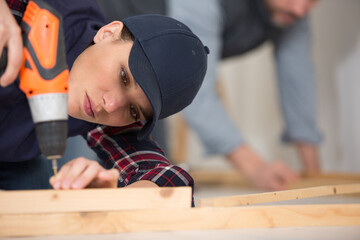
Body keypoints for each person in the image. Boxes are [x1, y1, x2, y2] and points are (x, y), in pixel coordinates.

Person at [97, 0, 322, 190]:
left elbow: (298, 84)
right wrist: (255, 167)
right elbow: (198, 93)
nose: (301, 9)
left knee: (151, 177)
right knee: (112, 177)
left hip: (153, 72)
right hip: (101, 49)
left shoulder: (292, 11)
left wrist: (316, 178)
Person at [0, 0, 208, 193]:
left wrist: (116, 196)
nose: (111, 106)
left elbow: (163, 177)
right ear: (108, 33)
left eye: (134, 110)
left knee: (35, 183)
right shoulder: (44, 8)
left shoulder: (112, 114)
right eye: (123, 76)